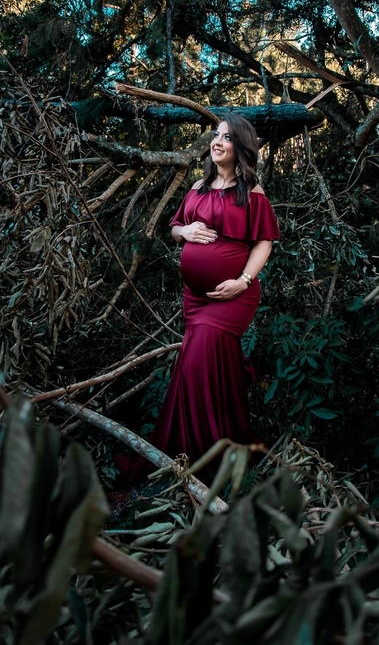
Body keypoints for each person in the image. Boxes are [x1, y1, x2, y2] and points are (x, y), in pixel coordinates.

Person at [126, 114, 280, 481]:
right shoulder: (198, 185)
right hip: (195, 299)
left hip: (234, 297)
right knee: (209, 370)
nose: (217, 141)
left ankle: (202, 459)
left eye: (226, 137)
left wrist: (243, 280)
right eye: (216, 134)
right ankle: (216, 450)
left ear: (241, 147)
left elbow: (264, 241)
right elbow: (175, 229)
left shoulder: (252, 192)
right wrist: (187, 230)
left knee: (195, 364)